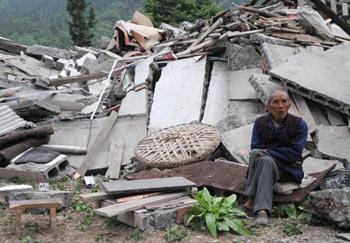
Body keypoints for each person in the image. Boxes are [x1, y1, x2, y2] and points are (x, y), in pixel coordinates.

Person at [243, 90, 308, 225]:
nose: (280, 106)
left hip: (288, 169)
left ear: (289, 105)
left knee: (261, 156)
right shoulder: (260, 123)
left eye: (284, 101)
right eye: (276, 102)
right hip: (264, 164)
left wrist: (268, 152)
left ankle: (251, 200)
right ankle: (262, 210)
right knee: (263, 159)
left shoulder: (299, 124)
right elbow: (255, 147)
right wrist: (267, 154)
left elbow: (294, 153)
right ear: (268, 107)